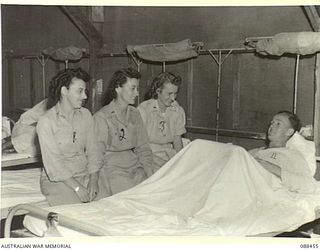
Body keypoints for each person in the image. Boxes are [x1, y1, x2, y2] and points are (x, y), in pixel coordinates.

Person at [36, 68, 100, 206]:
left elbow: (93, 151)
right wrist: (77, 188)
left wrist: (94, 180)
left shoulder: (86, 115)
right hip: (59, 181)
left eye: (85, 91)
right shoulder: (46, 122)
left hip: (84, 175)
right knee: (79, 216)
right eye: (79, 91)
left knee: (108, 208)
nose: (84, 96)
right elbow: (54, 164)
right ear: (64, 91)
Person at [94, 67, 153, 197]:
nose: (137, 93)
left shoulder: (135, 114)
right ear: (118, 88)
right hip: (113, 171)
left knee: (153, 195)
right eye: (132, 88)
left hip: (135, 168)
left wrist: (151, 177)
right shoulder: (102, 117)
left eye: (137, 88)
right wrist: (97, 183)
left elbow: (143, 148)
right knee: (132, 200)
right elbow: (96, 156)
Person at [249, 110, 316, 193]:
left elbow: (308, 185)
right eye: (272, 123)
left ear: (289, 132)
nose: (272, 126)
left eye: (278, 124)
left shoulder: (291, 155)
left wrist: (271, 168)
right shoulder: (255, 151)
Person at [138, 72, 186, 172]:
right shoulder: (144, 110)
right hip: (148, 155)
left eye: (175, 93)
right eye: (169, 94)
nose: (173, 98)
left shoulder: (177, 110)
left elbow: (177, 141)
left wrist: (181, 162)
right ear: (158, 91)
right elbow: (139, 145)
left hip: (169, 155)